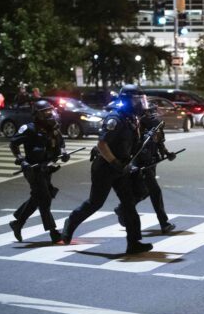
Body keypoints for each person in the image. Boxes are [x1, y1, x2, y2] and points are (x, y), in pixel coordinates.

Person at [61, 84, 153, 255]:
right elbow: (102, 145)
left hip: (121, 167)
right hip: (105, 167)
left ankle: (134, 243)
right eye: (137, 100)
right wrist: (114, 162)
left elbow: (132, 145)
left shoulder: (132, 119)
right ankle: (69, 225)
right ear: (127, 100)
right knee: (95, 203)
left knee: (129, 205)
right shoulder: (115, 119)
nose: (141, 103)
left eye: (142, 100)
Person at [8, 100, 68, 243]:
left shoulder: (53, 128)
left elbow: (61, 143)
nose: (50, 114)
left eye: (50, 111)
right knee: (44, 199)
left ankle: (18, 222)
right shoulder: (28, 129)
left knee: (38, 197)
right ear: (38, 114)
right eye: (46, 112)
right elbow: (13, 144)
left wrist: (64, 153)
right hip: (33, 169)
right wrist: (21, 160)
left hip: (47, 168)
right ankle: (53, 233)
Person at [114, 104, 177, 233]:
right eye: (151, 112)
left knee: (144, 192)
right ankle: (164, 223)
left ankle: (123, 208)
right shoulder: (139, 128)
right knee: (155, 192)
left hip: (151, 163)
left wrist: (167, 154)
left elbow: (160, 143)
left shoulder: (157, 127)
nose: (154, 115)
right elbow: (136, 147)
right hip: (142, 165)